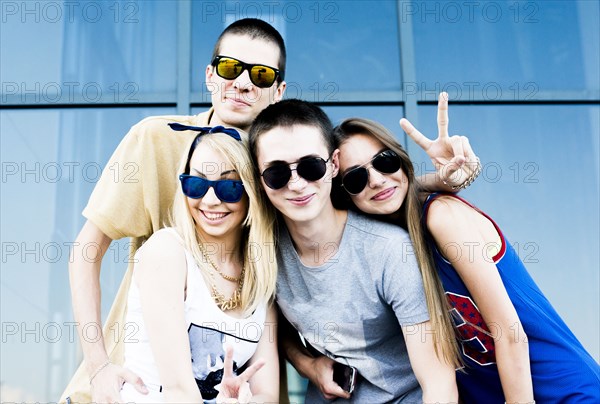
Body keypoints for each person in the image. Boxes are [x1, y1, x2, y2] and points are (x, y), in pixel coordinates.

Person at [62, 18, 286, 403]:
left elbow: (276, 305)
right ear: (210, 75)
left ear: (278, 90)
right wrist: (99, 366)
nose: (244, 82)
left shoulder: (285, 170)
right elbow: (86, 252)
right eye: (231, 68)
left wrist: (425, 183)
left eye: (261, 74)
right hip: (131, 386)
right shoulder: (156, 138)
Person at [332, 93, 600, 403]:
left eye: (384, 161)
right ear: (344, 196)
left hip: (567, 394)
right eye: (356, 178)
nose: (376, 180)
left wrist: (439, 180)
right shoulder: (389, 249)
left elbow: (510, 334)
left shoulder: (443, 216)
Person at [248, 99, 460, 403]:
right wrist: (309, 365)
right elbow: (271, 329)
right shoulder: (264, 252)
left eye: (311, 167)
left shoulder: (388, 250)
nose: (296, 184)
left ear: (334, 164)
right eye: (277, 173)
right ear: (260, 180)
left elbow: (439, 383)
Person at [118, 127, 279, 403]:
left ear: (251, 192)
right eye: (197, 184)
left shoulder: (260, 275)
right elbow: (179, 391)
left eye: (229, 187)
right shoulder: (167, 253)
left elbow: (267, 394)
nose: (211, 200)